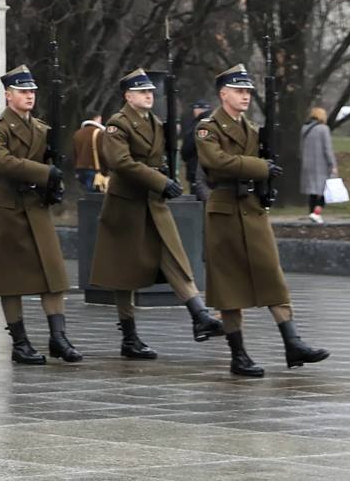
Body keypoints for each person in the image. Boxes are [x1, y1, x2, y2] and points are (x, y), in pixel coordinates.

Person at [193, 66, 330, 376]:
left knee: (272, 276)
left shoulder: (252, 128)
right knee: (229, 287)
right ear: (223, 93)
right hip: (225, 209)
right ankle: (238, 355)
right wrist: (260, 167)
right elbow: (216, 161)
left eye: (248, 92)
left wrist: (265, 176)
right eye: (239, 91)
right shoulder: (208, 127)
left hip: (252, 209)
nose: (245, 96)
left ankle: (292, 343)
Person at [89, 69, 222, 357]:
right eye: (141, 91)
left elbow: (158, 158)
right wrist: (161, 181)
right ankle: (129, 336)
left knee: (174, 256)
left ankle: (199, 316)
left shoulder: (156, 123)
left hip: (152, 203)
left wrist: (164, 173)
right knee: (122, 273)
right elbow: (121, 163)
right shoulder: (117, 124)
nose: (149, 95)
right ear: (128, 96)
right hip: (126, 205)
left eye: (150, 91)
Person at [0, 66, 80, 365]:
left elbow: (52, 160)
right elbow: (2, 162)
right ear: (8, 96)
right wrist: (46, 172)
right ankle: (20, 343)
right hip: (8, 207)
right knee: (10, 279)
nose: (29, 96)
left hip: (36, 205)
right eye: (23, 91)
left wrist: (53, 175)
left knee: (54, 275)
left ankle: (59, 337)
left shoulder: (43, 129)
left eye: (32, 91)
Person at [301, 108, 339, 222]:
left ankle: (312, 213)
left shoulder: (304, 129)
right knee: (326, 190)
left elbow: (301, 147)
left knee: (312, 191)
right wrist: (333, 164)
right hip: (321, 164)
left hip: (308, 164)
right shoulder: (324, 129)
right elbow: (327, 149)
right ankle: (317, 212)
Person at [71, 116, 104, 192]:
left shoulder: (77, 133)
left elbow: (75, 153)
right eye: (100, 119)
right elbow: (102, 153)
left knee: (86, 193)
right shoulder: (99, 133)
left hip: (80, 170)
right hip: (94, 169)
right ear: (95, 118)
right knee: (95, 197)